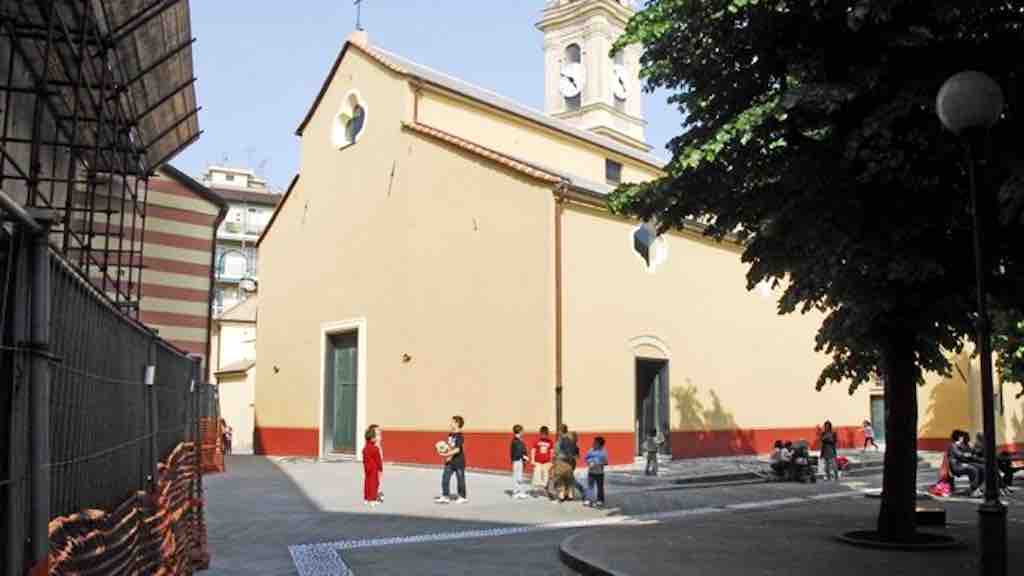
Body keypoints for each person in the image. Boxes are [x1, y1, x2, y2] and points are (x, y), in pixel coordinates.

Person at [435, 415, 468, 504]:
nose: (450, 424)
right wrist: (443, 449)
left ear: (457, 424)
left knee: (460, 479)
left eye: (452, 422)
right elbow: (450, 447)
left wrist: (446, 454)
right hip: (450, 461)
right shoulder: (450, 435)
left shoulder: (460, 436)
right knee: (445, 478)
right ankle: (445, 496)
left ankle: (462, 496)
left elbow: (457, 450)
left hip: (459, 461)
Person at [948, 430, 983, 497]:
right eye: (961, 436)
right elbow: (960, 455)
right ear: (958, 437)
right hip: (956, 466)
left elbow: (971, 452)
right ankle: (973, 490)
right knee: (973, 469)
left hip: (962, 463)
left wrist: (973, 449)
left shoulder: (960, 445)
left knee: (980, 468)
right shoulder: (953, 445)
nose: (962, 438)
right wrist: (968, 454)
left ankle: (978, 488)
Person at [584, 436, 608, 507]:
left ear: (600, 444)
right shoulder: (591, 450)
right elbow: (586, 458)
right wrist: (589, 462)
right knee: (590, 486)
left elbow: (606, 462)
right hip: (591, 472)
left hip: (600, 473)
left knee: (600, 487)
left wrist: (598, 463)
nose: (593, 443)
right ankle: (589, 500)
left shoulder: (603, 452)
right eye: (594, 442)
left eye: (595, 443)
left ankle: (600, 500)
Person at [362, 425, 383, 507]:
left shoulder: (365, 448)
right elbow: (378, 460)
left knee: (367, 483)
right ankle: (373, 499)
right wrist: (380, 468)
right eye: (375, 437)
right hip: (374, 469)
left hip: (367, 468)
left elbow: (364, 460)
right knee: (374, 484)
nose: (376, 438)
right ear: (372, 438)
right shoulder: (375, 449)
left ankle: (366, 498)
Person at [531, 426, 554, 495]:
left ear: (547, 434)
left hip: (546, 462)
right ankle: (535, 489)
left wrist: (551, 461)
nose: (544, 436)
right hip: (538, 461)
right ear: (540, 433)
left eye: (545, 434)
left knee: (545, 475)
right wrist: (532, 460)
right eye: (542, 434)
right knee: (536, 474)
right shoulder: (537, 441)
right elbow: (533, 450)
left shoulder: (550, 442)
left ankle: (544, 488)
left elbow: (552, 451)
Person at [510, 424, 530, 499]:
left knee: (519, 476)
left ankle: (519, 492)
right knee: (517, 476)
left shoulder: (518, 440)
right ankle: (516, 492)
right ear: (519, 431)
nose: (523, 432)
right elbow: (518, 452)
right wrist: (524, 457)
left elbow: (521, 450)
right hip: (517, 460)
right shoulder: (516, 441)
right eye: (522, 431)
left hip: (518, 460)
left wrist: (524, 457)